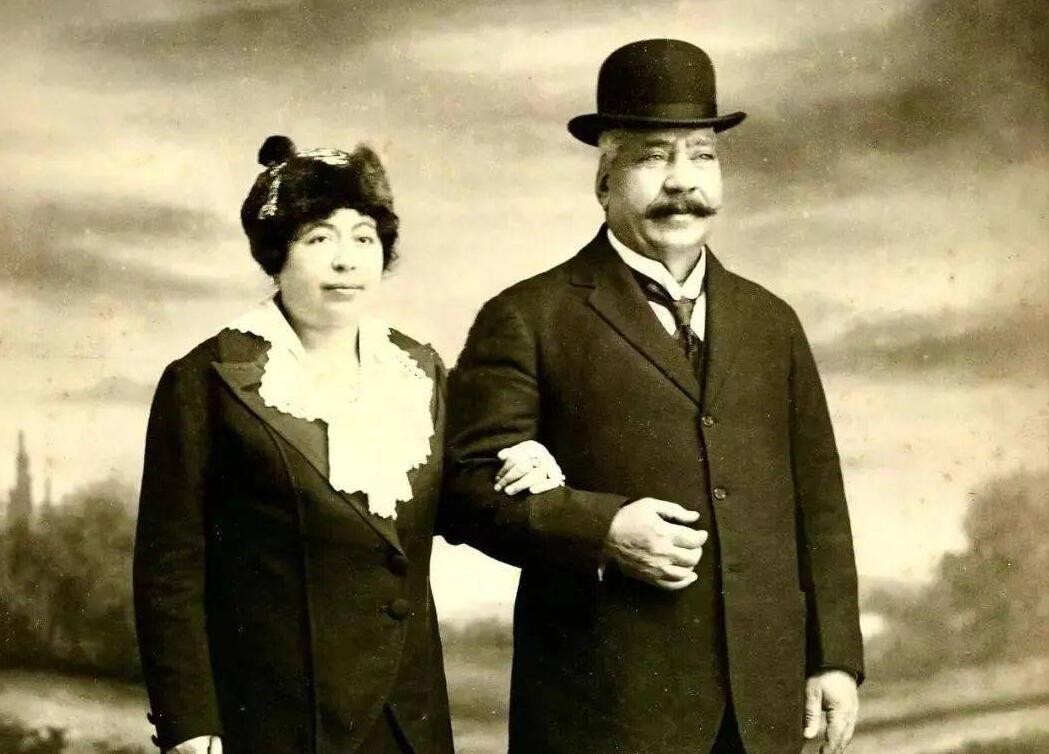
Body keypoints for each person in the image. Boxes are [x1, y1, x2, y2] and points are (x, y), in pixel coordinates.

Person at [444, 40, 864, 754]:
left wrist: (833, 658)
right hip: (603, 713)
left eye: (701, 156)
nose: (682, 182)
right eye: (651, 157)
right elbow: (464, 489)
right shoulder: (526, 316)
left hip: (761, 711)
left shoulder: (771, 321)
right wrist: (602, 528)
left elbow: (817, 499)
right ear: (604, 179)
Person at [133, 136, 565, 754]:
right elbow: (169, 571)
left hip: (407, 721)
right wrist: (189, 723)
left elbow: (457, 504)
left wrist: (519, 462)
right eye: (319, 239)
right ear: (276, 253)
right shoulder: (207, 379)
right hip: (277, 723)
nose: (347, 261)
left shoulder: (418, 370)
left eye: (364, 238)